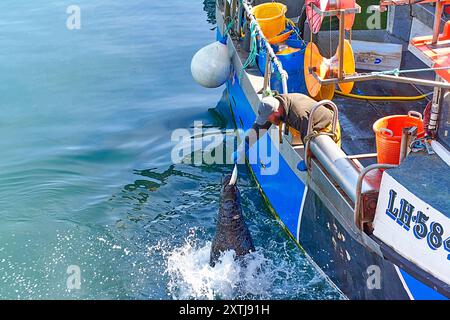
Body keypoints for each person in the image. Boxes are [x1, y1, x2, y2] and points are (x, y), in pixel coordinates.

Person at [233, 93, 341, 163]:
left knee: (331, 160)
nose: (268, 121)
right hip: (306, 124)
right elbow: (261, 126)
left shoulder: (298, 115)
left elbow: (307, 137)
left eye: (268, 118)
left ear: (276, 111)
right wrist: (244, 146)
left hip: (326, 126)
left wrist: (307, 160)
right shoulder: (277, 105)